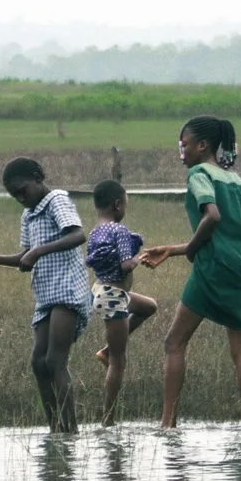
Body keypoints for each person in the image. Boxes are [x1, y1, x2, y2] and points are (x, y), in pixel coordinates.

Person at [139, 116, 241, 428]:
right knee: (239, 351)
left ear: (202, 145)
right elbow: (229, 232)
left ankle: (168, 424)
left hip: (212, 269)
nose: (181, 152)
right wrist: (173, 250)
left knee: (173, 343)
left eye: (184, 145)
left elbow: (212, 218)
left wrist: (190, 251)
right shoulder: (235, 179)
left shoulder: (198, 174)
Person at [0, 157, 91, 431]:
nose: (21, 198)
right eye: (14, 195)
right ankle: (54, 429)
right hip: (46, 295)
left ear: (38, 178)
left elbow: (78, 235)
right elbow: (24, 256)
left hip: (68, 289)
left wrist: (39, 251)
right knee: (38, 362)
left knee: (55, 361)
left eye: (23, 190)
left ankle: (70, 432)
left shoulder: (56, 200)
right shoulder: (29, 214)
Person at [83, 178, 159, 425]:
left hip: (101, 291)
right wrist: (141, 256)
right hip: (114, 297)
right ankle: (108, 420)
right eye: (125, 204)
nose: (125, 208)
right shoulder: (120, 231)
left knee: (149, 307)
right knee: (119, 361)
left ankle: (106, 350)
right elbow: (126, 265)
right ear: (117, 205)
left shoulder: (96, 232)